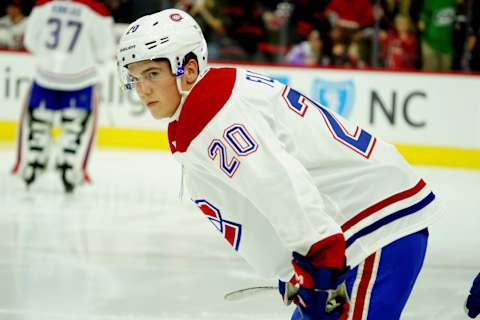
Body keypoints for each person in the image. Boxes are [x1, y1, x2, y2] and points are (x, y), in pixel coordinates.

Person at [117, 9, 441, 319]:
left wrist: (320, 255)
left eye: (153, 74)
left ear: (187, 69)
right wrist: (291, 266)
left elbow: (276, 180)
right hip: (350, 226)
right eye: (135, 78)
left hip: (368, 225)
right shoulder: (207, 103)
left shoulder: (209, 111)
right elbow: (260, 193)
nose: (142, 89)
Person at [12, 0, 115, 192]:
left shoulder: (44, 4)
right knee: (74, 129)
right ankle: (69, 163)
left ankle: (34, 160)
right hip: (81, 79)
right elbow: (105, 51)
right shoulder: (97, 10)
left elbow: (30, 41)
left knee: (39, 126)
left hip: (45, 75)